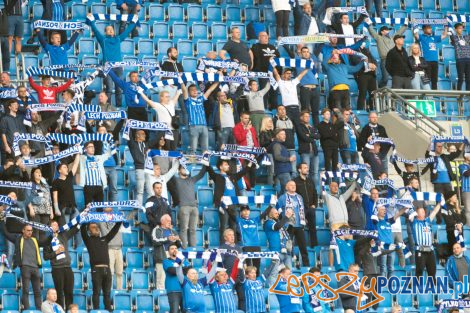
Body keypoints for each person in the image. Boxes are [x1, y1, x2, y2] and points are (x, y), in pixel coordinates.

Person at [87, 13, 138, 107]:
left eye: (111, 29)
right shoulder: (103, 40)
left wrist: (134, 22)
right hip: (108, 68)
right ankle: (108, 108)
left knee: (119, 88)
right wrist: (91, 20)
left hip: (118, 67)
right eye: (108, 30)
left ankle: (118, 108)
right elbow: (95, 30)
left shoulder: (118, 39)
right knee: (109, 89)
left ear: (114, 32)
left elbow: (127, 31)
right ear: (105, 32)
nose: (110, 30)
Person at [4, 223, 50, 309]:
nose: (30, 232)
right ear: (23, 231)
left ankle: (39, 310)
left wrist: (51, 234)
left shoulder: (34, 240)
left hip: (35, 268)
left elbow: (45, 242)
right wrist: (2, 220)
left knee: (38, 292)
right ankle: (27, 310)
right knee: (26, 291)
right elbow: (6, 233)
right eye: (28, 230)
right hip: (25, 267)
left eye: (31, 230)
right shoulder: (18, 239)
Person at [81, 218, 123, 311]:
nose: (96, 228)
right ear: (89, 230)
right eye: (93, 227)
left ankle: (108, 310)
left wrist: (119, 221)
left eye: (96, 227)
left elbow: (114, 231)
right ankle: (96, 310)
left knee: (107, 293)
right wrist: (85, 220)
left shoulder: (104, 239)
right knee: (96, 293)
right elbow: (82, 229)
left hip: (107, 270)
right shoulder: (88, 240)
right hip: (96, 270)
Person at [205, 159, 249, 242]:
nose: (228, 166)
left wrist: (251, 162)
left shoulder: (232, 176)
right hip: (224, 204)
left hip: (234, 204)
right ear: (220, 167)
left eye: (228, 165)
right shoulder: (217, 177)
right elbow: (209, 169)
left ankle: (234, 246)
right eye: (225, 164)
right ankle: (223, 247)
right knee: (224, 226)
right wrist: (206, 158)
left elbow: (243, 172)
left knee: (234, 226)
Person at [43, 220, 78, 309]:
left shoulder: (63, 235)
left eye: (57, 225)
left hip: (67, 268)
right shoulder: (47, 241)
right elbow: (46, 257)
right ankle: (60, 310)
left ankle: (69, 311)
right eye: (54, 225)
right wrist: (56, 252)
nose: (56, 226)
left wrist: (82, 218)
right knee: (59, 293)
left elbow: (75, 229)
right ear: (49, 227)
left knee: (69, 292)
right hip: (57, 269)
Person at [277, 181, 310, 266]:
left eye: (294, 185)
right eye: (291, 185)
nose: (293, 186)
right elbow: (278, 210)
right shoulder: (282, 198)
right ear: (286, 187)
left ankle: (307, 267)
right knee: (288, 247)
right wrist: (282, 221)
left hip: (299, 225)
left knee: (303, 247)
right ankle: (289, 266)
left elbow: (301, 210)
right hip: (288, 226)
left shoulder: (299, 197)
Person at [173, 164, 207, 248]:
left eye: (186, 168)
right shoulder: (177, 180)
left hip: (194, 208)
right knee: (184, 229)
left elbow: (201, 174)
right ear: (179, 170)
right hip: (183, 207)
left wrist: (205, 163)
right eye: (183, 168)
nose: (185, 169)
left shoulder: (191, 179)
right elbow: (170, 172)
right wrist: (176, 161)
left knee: (193, 230)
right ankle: (184, 249)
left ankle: (193, 249)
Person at [366, 20, 408, 88]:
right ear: (382, 32)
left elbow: (399, 32)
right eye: (386, 30)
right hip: (385, 59)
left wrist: (405, 25)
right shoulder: (379, 38)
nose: (388, 31)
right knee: (385, 78)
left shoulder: (393, 38)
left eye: (388, 30)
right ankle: (379, 90)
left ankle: (392, 94)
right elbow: (372, 32)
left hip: (394, 60)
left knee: (396, 78)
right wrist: (369, 25)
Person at [181, 82, 219, 154]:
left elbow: (210, 90)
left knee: (205, 149)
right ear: (189, 92)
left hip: (204, 126)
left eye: (195, 89)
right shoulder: (188, 100)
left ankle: (205, 164)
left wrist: (218, 81)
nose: (195, 91)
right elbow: (184, 90)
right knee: (193, 148)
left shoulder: (201, 99)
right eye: (192, 90)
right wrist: (181, 82)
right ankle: (192, 163)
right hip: (193, 126)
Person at [410, 204, 441, 282]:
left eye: (423, 211)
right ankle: (417, 289)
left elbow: (434, 212)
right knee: (419, 271)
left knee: (432, 271)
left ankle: (433, 290)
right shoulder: (414, 222)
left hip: (430, 251)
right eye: (420, 212)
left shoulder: (427, 220)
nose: (423, 213)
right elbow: (408, 212)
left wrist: (440, 203)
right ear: (416, 213)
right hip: (420, 250)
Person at [374, 206, 407, 278]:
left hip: (391, 247)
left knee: (391, 267)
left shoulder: (388, 221)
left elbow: (397, 215)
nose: (384, 211)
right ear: (377, 211)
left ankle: (390, 284)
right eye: (382, 209)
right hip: (382, 247)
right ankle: (382, 285)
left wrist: (404, 208)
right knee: (383, 267)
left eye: (385, 209)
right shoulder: (376, 222)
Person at [249, 31, 278, 110]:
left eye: (267, 36)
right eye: (263, 36)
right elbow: (249, 53)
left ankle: (273, 111)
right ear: (259, 38)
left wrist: (279, 73)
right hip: (263, 73)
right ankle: (264, 109)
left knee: (274, 92)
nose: (266, 37)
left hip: (274, 74)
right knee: (264, 93)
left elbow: (279, 59)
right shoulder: (256, 47)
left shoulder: (272, 47)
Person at [152, 214, 182, 290]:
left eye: (170, 221)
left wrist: (177, 239)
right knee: (161, 279)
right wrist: (168, 239)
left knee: (173, 277)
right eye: (167, 221)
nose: (169, 222)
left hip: (173, 257)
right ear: (162, 221)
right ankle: (161, 297)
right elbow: (155, 241)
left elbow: (180, 245)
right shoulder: (157, 230)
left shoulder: (173, 231)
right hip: (162, 256)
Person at [414, 24, 448, 90]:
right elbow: (416, 35)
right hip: (426, 61)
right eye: (428, 28)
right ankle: (427, 94)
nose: (430, 29)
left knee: (434, 79)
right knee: (427, 78)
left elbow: (444, 35)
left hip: (435, 61)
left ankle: (434, 94)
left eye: (430, 28)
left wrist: (446, 26)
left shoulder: (434, 37)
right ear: (424, 29)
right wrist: (415, 25)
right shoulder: (422, 37)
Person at [294, 163, 318, 247]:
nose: (307, 169)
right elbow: (294, 196)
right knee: (299, 229)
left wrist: (315, 204)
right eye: (304, 168)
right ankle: (299, 247)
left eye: (307, 167)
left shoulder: (310, 181)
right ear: (299, 170)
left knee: (313, 229)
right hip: (300, 209)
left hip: (311, 208)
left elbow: (315, 194)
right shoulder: (295, 181)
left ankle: (314, 247)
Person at [51, 155, 80, 227]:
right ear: (59, 170)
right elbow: (55, 196)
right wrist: (56, 208)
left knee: (77, 228)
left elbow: (75, 164)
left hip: (73, 207)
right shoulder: (56, 181)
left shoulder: (69, 177)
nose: (67, 168)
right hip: (63, 208)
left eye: (67, 167)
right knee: (65, 229)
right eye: (64, 167)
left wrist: (78, 154)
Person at [27, 167, 54, 242]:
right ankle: (34, 249)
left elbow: (49, 197)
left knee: (43, 231)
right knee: (35, 231)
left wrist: (51, 211)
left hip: (46, 210)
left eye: (40, 172)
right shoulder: (30, 184)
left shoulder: (45, 184)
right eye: (36, 172)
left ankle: (41, 250)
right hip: (36, 210)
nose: (39, 173)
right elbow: (27, 196)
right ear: (33, 174)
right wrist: (30, 208)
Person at [233, 112, 259, 188]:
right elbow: (239, 139)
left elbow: (255, 140)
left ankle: (252, 188)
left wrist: (256, 151)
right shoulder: (237, 127)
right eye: (245, 118)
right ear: (241, 118)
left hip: (252, 152)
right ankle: (246, 187)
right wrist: (246, 130)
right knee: (244, 171)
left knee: (252, 171)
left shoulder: (252, 128)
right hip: (243, 153)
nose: (247, 120)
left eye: (248, 118)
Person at [297, 47, 321, 125]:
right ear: (300, 53)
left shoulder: (312, 62)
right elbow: (291, 54)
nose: (306, 53)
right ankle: (305, 129)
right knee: (305, 111)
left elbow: (318, 49)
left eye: (308, 51)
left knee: (316, 112)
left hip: (315, 89)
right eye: (304, 52)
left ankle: (317, 131)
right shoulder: (298, 62)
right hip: (305, 89)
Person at [296, 111, 320, 190]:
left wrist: (309, 135)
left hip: (314, 152)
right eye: (305, 116)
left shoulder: (311, 127)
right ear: (301, 117)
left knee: (315, 173)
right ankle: (307, 188)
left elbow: (318, 136)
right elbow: (303, 137)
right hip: (305, 152)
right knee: (306, 172)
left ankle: (315, 190)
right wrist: (312, 138)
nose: (308, 118)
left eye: (308, 116)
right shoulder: (299, 126)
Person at [98, 222, 124, 290]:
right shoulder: (102, 222)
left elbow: (129, 217)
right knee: (110, 272)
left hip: (119, 249)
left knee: (120, 272)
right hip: (109, 249)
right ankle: (109, 290)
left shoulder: (118, 220)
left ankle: (119, 290)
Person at [163, 244, 188, 313]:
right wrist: (183, 269)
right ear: (168, 251)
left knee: (187, 311)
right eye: (172, 248)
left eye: (176, 248)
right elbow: (172, 271)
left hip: (184, 290)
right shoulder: (166, 261)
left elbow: (189, 270)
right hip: (173, 290)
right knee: (174, 311)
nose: (174, 250)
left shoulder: (184, 260)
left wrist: (179, 269)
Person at [273, 105, 297, 177]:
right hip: (282, 148)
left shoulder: (290, 120)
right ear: (277, 112)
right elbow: (274, 133)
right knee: (283, 171)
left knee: (294, 170)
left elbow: (293, 132)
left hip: (292, 148)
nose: (282, 110)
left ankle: (293, 186)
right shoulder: (275, 120)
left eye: (283, 109)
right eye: (280, 109)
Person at [353, 44, 378, 111]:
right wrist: (367, 65)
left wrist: (374, 65)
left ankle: (372, 110)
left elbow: (373, 59)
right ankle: (360, 110)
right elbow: (355, 61)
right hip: (362, 74)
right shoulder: (354, 50)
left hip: (371, 74)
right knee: (363, 93)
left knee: (373, 93)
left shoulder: (367, 50)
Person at [127, 129, 148, 205]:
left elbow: (156, 138)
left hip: (148, 170)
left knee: (150, 190)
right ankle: (139, 209)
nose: (145, 135)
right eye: (143, 134)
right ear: (137, 135)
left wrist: (162, 127)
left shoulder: (146, 145)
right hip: (140, 169)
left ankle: (149, 208)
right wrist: (128, 125)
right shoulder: (133, 144)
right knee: (140, 191)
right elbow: (129, 136)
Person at [443, 191, 466, 256]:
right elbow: (447, 220)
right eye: (454, 196)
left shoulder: (458, 207)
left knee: (460, 249)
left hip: (460, 231)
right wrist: (456, 225)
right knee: (453, 250)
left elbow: (464, 219)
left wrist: (460, 224)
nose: (456, 197)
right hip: (451, 231)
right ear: (450, 198)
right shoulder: (445, 207)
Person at [450, 23, 470, 91]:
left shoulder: (466, 37)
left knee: (468, 78)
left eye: (462, 28)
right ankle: (459, 93)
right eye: (459, 28)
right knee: (460, 78)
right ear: (455, 29)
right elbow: (451, 35)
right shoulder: (455, 38)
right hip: (460, 60)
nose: (461, 29)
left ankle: (468, 94)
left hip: (468, 59)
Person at [259, 117, 275, 186]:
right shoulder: (263, 132)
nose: (271, 122)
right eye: (269, 121)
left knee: (275, 170)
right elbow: (262, 144)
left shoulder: (272, 132)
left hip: (274, 153)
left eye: (271, 121)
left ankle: (274, 184)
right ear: (265, 123)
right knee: (271, 170)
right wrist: (270, 141)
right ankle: (270, 185)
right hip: (268, 153)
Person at [459, 155, 470, 225]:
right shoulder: (462, 166)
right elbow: (466, 174)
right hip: (466, 190)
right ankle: (469, 226)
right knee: (468, 210)